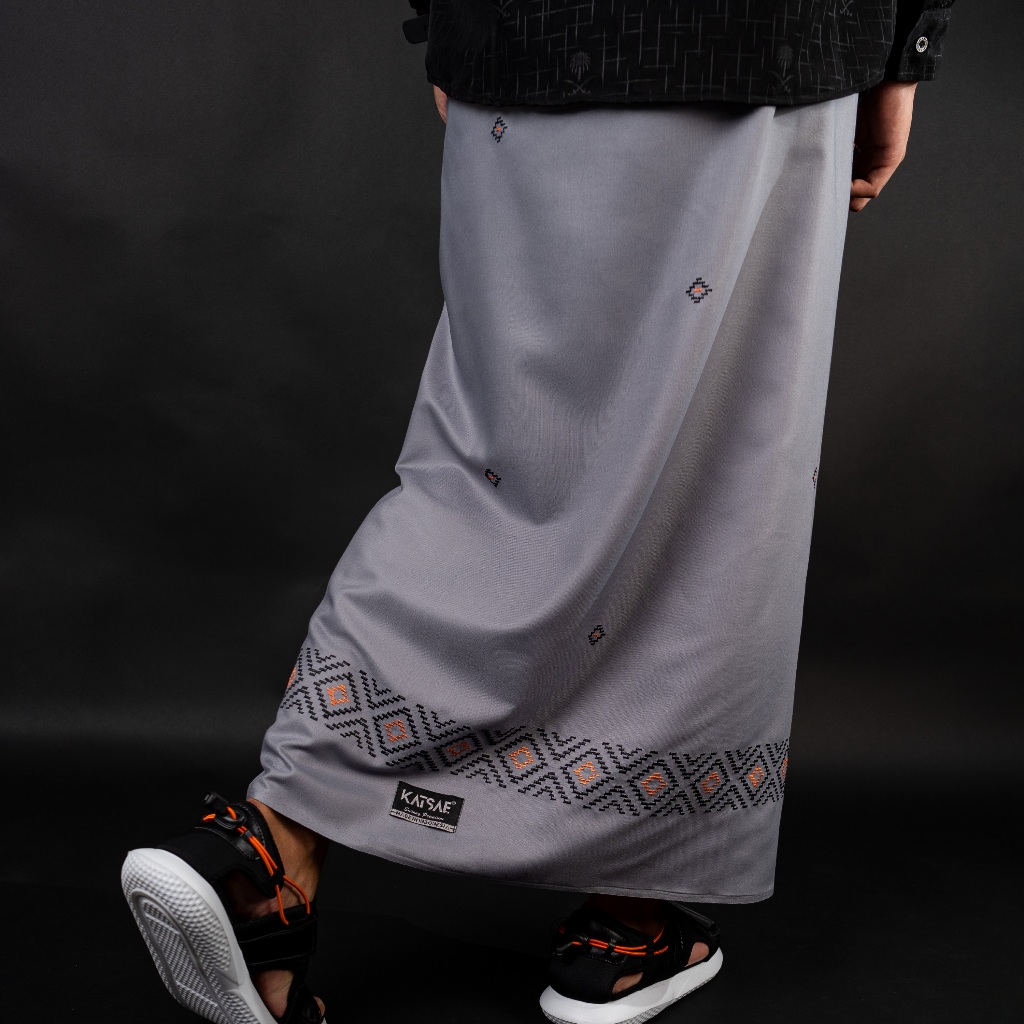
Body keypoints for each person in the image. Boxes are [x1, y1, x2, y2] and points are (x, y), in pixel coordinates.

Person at [121, 4, 958, 1023]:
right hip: (757, 40)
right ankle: (628, 924)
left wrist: (449, 17)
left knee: (490, 455)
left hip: (516, 34)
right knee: (718, 467)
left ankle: (273, 848)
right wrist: (906, 49)